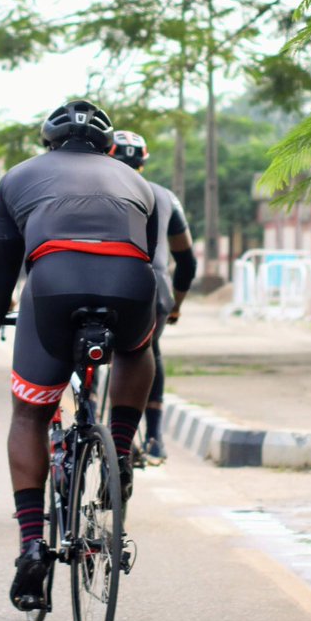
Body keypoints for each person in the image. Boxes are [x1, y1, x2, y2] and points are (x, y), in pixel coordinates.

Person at [0, 100, 158, 612]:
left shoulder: (15, 179)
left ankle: (30, 543)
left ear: (47, 144)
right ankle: (119, 446)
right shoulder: (139, 184)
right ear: (109, 148)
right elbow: (148, 256)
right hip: (131, 287)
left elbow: (0, 278)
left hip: (53, 288)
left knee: (30, 411)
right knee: (140, 348)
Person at [107, 130, 196, 463]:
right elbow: (187, 260)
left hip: (95, 284)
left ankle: (80, 416)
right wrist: (177, 306)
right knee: (147, 350)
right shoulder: (164, 197)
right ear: (143, 162)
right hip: (151, 289)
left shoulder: (93, 190)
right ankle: (155, 438)